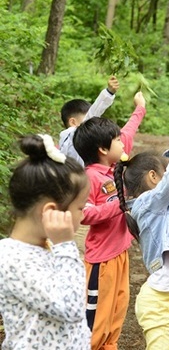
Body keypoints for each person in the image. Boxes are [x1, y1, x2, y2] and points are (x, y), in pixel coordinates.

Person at [113, 119, 169, 349]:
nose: (168, 180)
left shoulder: (153, 205)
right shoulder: (148, 203)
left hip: (167, 300)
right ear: (153, 177)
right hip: (159, 302)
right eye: (163, 174)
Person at [0, 134, 91, 349]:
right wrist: (66, 246)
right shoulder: (13, 259)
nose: (84, 215)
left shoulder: (47, 246)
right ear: (51, 211)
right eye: (80, 207)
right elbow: (71, 309)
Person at [73, 91, 147, 350]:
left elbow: (128, 131)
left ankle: (109, 345)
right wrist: (119, 205)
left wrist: (140, 107)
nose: (123, 144)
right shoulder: (90, 178)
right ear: (103, 149)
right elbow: (85, 214)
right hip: (101, 260)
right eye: (117, 141)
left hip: (120, 254)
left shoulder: (115, 166)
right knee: (97, 313)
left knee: (119, 306)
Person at [59, 76, 120, 167]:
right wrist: (109, 92)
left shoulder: (65, 142)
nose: (92, 124)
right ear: (73, 122)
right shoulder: (72, 135)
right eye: (87, 120)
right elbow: (93, 114)